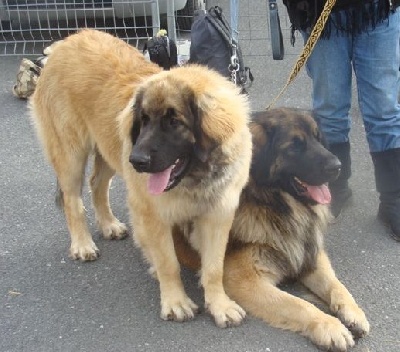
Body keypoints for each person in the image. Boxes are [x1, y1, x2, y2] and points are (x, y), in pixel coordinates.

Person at [282, 0, 400, 241]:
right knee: (329, 111)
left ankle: (393, 199)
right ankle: (335, 188)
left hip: (379, 10)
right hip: (319, 12)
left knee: (384, 111)